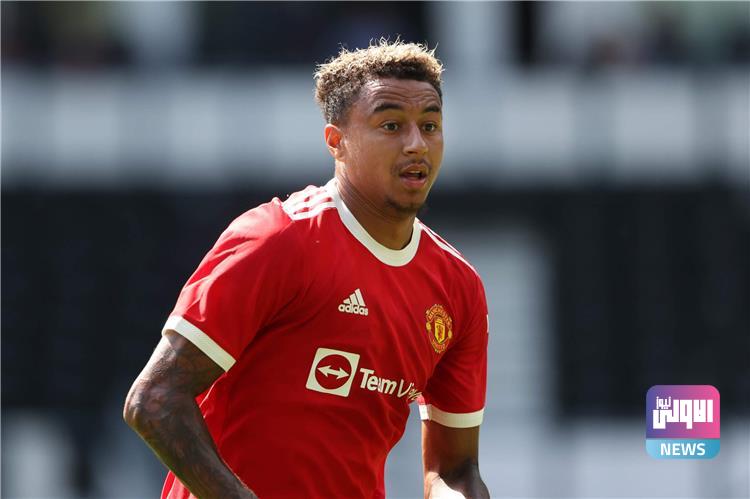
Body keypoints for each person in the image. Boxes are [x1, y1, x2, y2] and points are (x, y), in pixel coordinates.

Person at [124, 39, 490, 499]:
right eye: (392, 125)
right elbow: (155, 401)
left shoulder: (458, 288)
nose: (416, 144)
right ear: (337, 142)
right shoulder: (277, 239)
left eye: (430, 126)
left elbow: (454, 470)